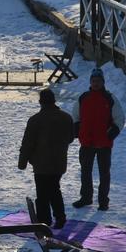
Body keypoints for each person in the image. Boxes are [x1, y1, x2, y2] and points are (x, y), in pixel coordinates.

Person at [18, 88, 75, 228]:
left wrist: (22, 162)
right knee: (55, 189)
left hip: (41, 164)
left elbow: (28, 143)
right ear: (54, 101)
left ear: (40, 102)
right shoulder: (66, 117)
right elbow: (71, 137)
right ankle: (60, 217)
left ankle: (44, 221)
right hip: (59, 163)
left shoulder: (35, 120)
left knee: (42, 194)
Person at [71, 67, 125, 211]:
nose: (96, 83)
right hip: (87, 142)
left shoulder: (110, 98)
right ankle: (86, 198)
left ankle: (103, 201)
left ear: (103, 82)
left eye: (98, 81)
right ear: (90, 82)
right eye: (93, 81)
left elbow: (119, 119)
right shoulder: (83, 97)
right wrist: (77, 131)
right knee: (85, 172)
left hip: (104, 143)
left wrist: (111, 134)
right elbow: (75, 116)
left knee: (104, 174)